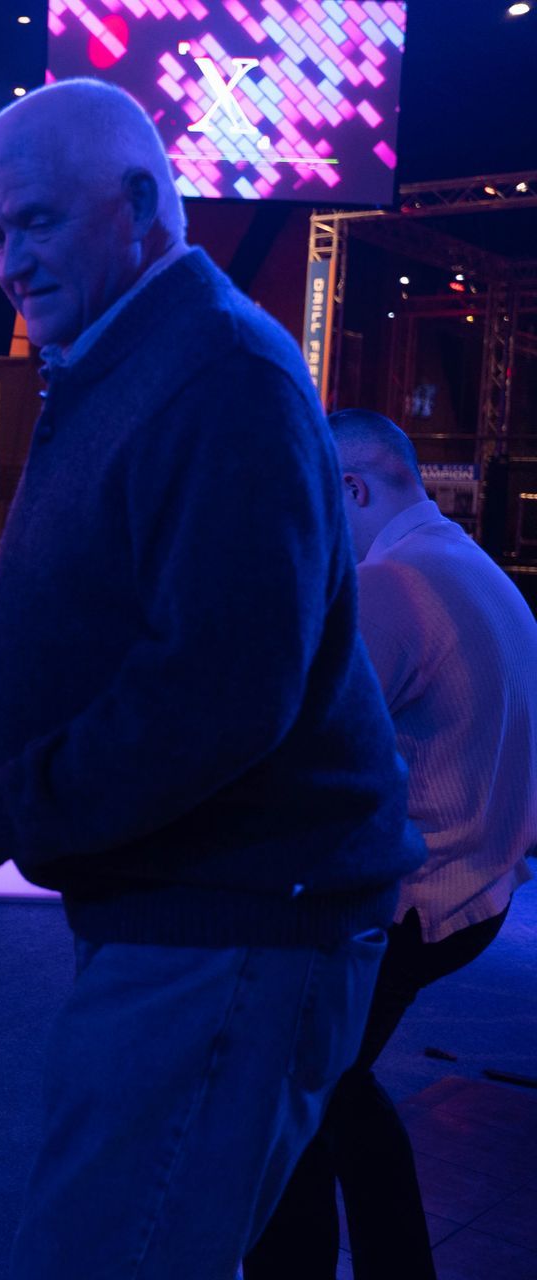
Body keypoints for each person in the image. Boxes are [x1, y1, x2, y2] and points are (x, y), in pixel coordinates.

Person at [0, 80, 420, 1279]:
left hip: (234, 915)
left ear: (143, 205)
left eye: (37, 223)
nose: (7, 260)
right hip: (196, 909)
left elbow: (215, 694)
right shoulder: (137, 356)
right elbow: (152, 622)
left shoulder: (218, 373)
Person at [246, 410, 537, 1280]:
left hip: (413, 897)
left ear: (350, 489)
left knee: (283, 1102)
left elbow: (295, 754)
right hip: (478, 888)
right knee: (338, 1087)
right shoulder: (482, 572)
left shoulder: (393, 586)